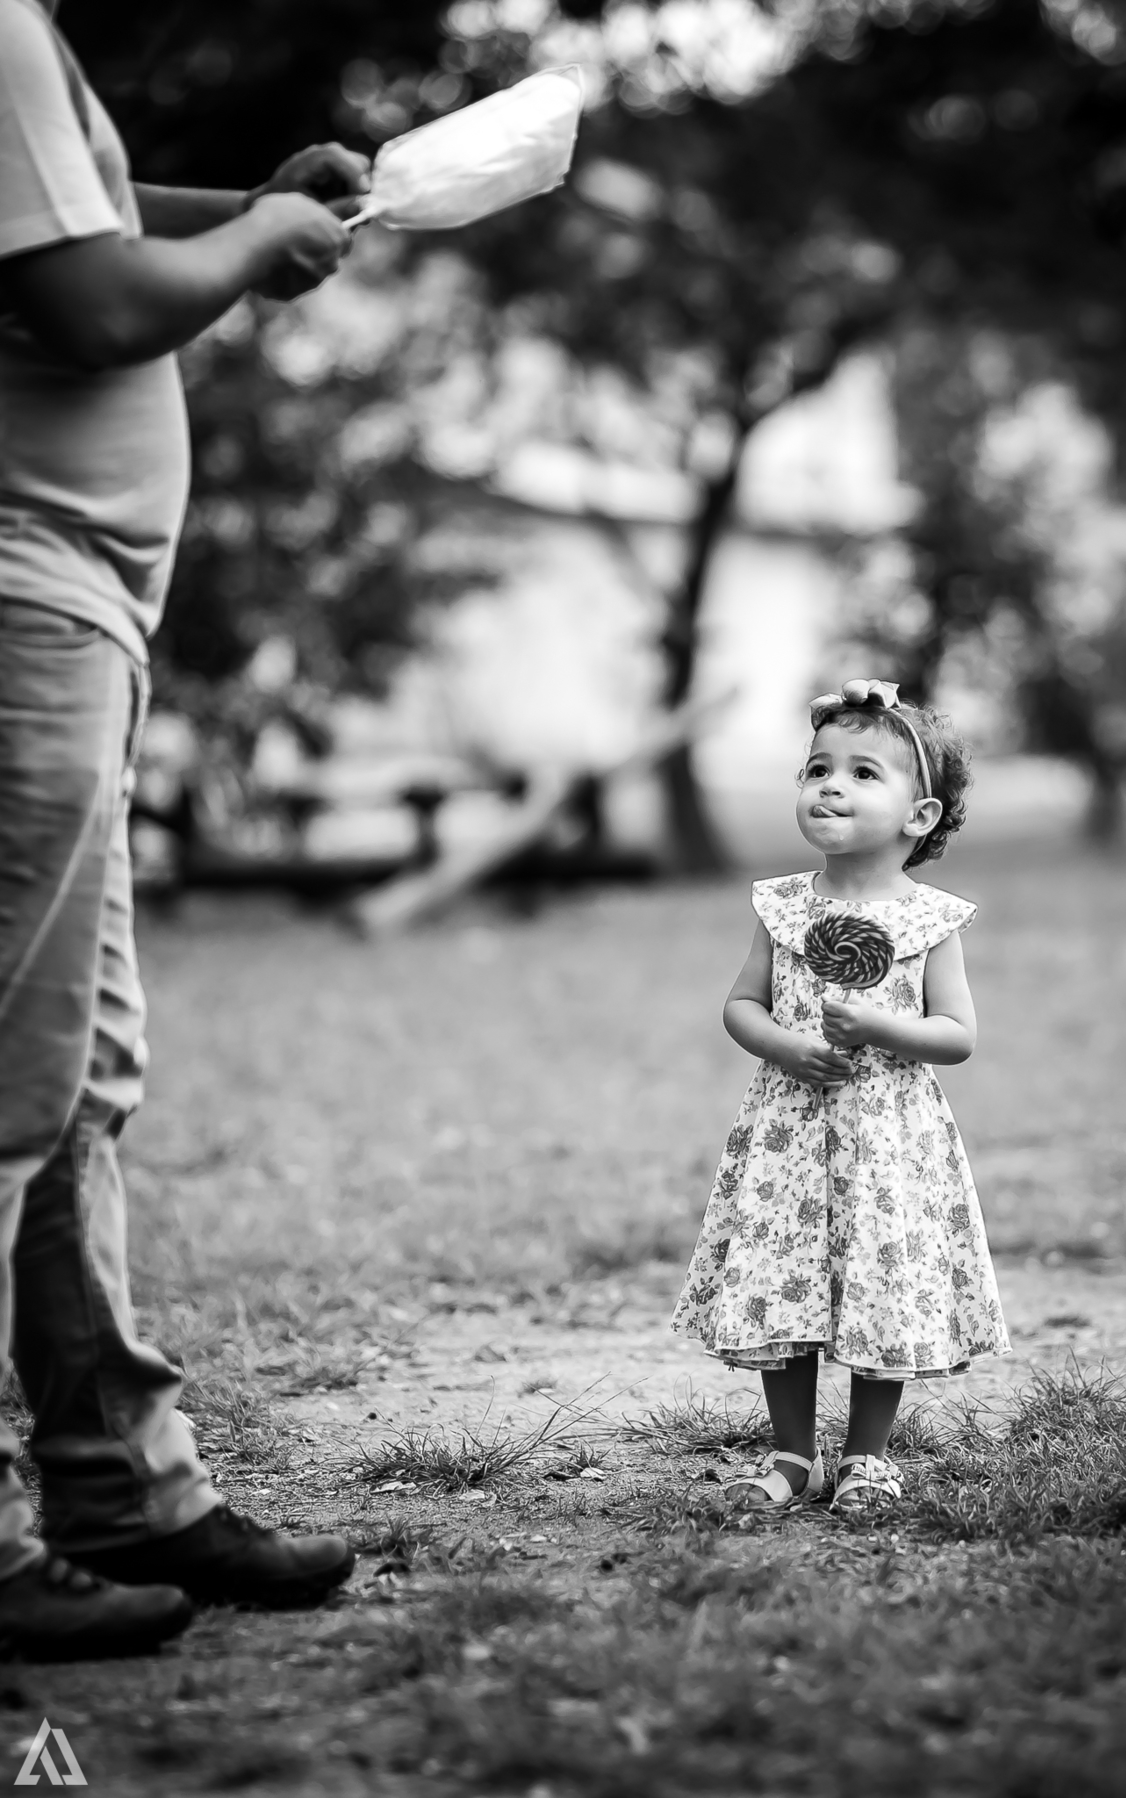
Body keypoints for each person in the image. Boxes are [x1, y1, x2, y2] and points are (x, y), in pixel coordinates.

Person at [0, 0, 372, 1659]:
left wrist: (240, 211)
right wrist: (252, 252)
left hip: (68, 612)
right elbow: (82, 302)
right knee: (12, 1086)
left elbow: (70, 228)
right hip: (21, 604)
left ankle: (120, 1487)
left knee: (73, 1082)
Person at [672, 679, 1010, 1513]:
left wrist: (880, 1025)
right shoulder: (784, 907)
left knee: (879, 1289)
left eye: (864, 774)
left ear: (918, 816)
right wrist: (784, 1042)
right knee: (781, 1286)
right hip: (789, 1138)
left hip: (889, 1142)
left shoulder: (931, 922)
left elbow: (957, 1035)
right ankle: (791, 1456)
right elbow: (740, 1004)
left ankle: (866, 1457)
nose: (830, 785)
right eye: (818, 767)